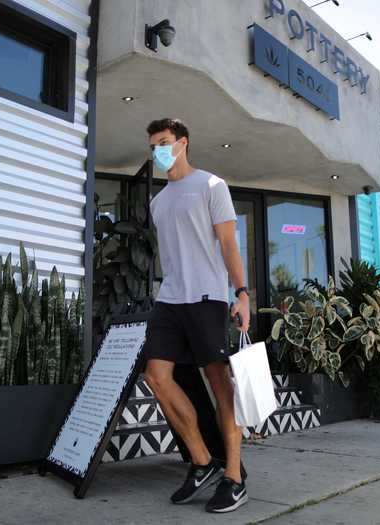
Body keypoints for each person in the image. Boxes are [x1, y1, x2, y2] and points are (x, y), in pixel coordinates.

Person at [142, 118, 251, 513]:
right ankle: (202, 460)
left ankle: (234, 476)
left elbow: (228, 243)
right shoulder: (158, 201)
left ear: (183, 143)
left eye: (165, 142)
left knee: (220, 387)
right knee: (157, 377)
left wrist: (241, 293)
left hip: (208, 297)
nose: (159, 150)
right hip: (170, 299)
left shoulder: (211, 185)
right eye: (154, 144)